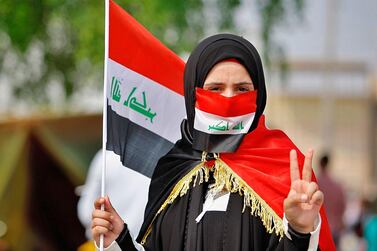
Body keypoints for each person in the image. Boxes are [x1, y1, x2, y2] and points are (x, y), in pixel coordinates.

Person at [91, 34, 335, 250]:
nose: (229, 99)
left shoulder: (285, 170)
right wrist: (119, 240)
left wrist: (300, 230)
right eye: (216, 88)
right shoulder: (173, 170)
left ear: (259, 95)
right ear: (193, 94)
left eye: (242, 89)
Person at [317, 154, 346, 247]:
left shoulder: (315, 183)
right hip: (335, 228)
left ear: (320, 164)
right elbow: (342, 206)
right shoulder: (337, 186)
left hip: (319, 228)